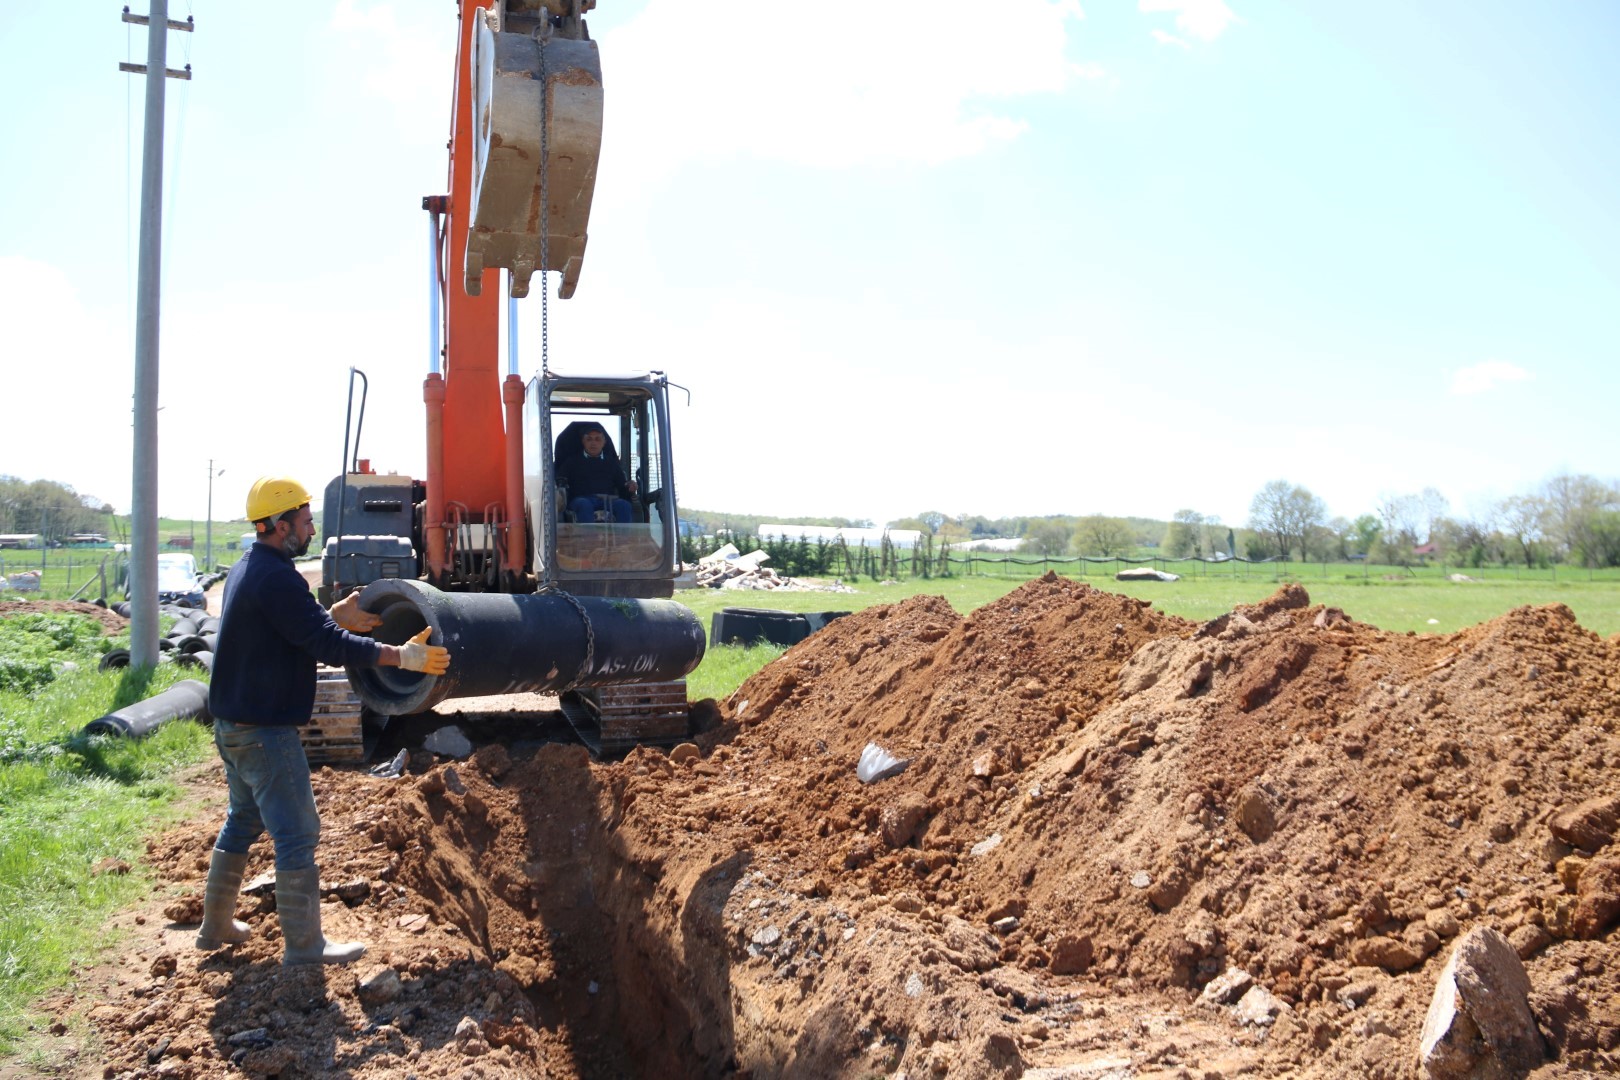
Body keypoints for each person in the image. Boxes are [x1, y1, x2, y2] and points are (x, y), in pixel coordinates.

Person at [196, 476, 450, 966]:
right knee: (298, 831)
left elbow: (292, 626)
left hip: (233, 724)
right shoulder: (277, 577)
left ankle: (215, 926)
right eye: (306, 520)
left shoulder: (250, 568)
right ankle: (305, 946)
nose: (312, 528)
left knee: (243, 820)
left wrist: (330, 612)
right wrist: (403, 656)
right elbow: (326, 645)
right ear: (280, 524)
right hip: (264, 731)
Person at [554, 420, 637, 523]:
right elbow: (559, 482)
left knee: (624, 506)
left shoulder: (612, 463)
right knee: (584, 504)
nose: (593, 443)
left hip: (608, 501)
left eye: (597, 439)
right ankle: (588, 538)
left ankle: (624, 538)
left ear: (604, 442)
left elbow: (622, 486)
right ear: (583, 442)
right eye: (589, 439)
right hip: (581, 499)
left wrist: (630, 487)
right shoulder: (571, 462)